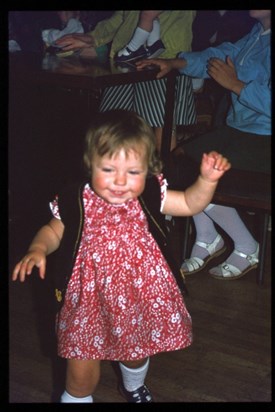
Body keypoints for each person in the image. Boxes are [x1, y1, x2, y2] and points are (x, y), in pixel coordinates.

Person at [12, 110, 231, 403]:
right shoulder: (76, 199)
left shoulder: (152, 194)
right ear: (91, 165)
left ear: (148, 170)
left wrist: (207, 180)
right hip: (88, 299)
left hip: (137, 295)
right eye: (108, 170)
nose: (119, 182)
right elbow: (53, 231)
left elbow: (191, 202)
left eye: (132, 172)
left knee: (135, 354)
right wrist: (37, 249)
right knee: (80, 371)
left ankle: (133, 385)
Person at [136, 10, 271, 280]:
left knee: (199, 170)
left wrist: (236, 85)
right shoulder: (257, 35)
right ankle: (208, 238)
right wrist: (175, 63)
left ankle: (246, 246)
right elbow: (218, 55)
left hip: (265, 136)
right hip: (239, 130)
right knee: (179, 162)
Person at [55, 11, 197, 151]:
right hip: (125, 63)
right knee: (111, 133)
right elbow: (121, 18)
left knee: (162, 138)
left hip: (164, 61)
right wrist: (92, 38)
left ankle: (166, 173)